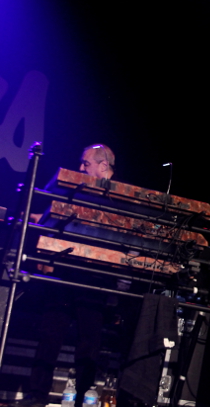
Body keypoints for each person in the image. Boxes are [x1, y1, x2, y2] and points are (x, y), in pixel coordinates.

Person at [19, 144, 117, 407]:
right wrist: (41, 220)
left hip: (96, 275)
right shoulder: (78, 188)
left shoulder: (116, 197)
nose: (81, 167)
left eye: (86, 163)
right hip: (67, 268)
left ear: (103, 166)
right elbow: (64, 219)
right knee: (50, 333)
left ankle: (83, 397)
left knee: (89, 342)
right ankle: (37, 394)